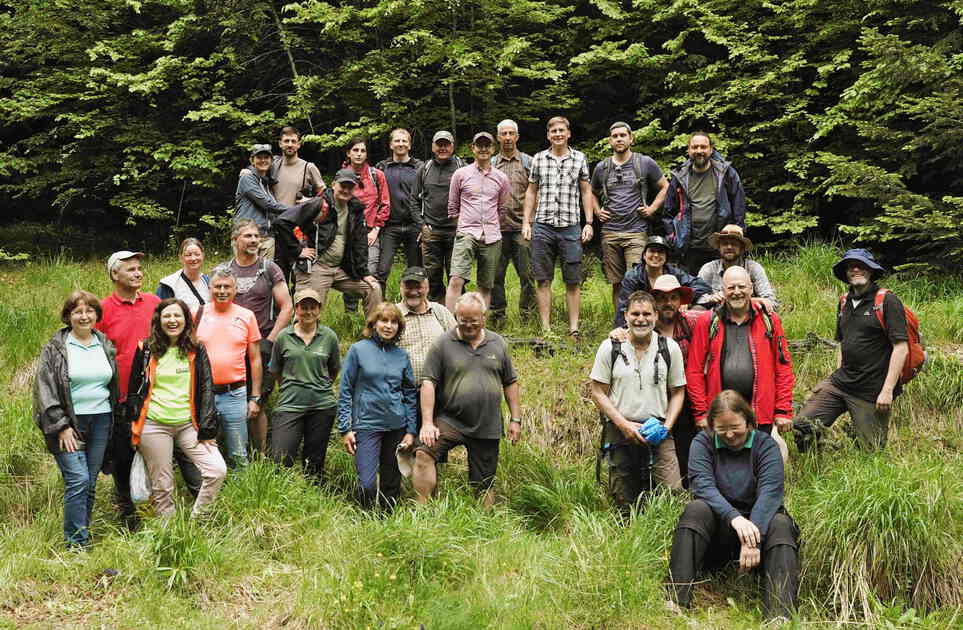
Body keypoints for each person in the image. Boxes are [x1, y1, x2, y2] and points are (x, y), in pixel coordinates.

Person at [668, 390, 800, 621]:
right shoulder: (702, 443)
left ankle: (780, 615)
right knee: (695, 510)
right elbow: (702, 486)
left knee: (781, 523)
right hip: (720, 528)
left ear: (749, 422)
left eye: (735, 427)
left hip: (759, 532)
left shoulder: (765, 445)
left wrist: (753, 536)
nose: (729, 434)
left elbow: (771, 493)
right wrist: (735, 518)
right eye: (721, 429)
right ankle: (677, 600)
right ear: (712, 426)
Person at [96, 251, 199, 529]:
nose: (138, 273)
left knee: (180, 456)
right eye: (130, 269)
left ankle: (197, 510)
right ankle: (129, 514)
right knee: (123, 457)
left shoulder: (155, 304)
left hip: (161, 397)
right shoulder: (103, 310)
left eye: (139, 268)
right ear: (114, 274)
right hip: (121, 399)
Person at [792, 249, 909, 451]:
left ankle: (854, 445)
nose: (855, 269)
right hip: (841, 383)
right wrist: (834, 376)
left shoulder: (887, 301)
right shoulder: (844, 301)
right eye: (850, 266)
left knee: (871, 452)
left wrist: (887, 391)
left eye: (861, 265)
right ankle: (820, 459)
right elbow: (842, 343)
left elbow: (901, 348)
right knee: (802, 426)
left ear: (871, 271)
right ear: (845, 272)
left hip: (871, 391)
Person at [413, 292, 521, 507]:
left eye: (474, 321)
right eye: (463, 321)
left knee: (485, 480)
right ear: (456, 317)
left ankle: (484, 524)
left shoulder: (498, 343)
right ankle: (422, 509)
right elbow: (428, 383)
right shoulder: (443, 343)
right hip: (451, 420)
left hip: (487, 422)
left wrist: (515, 419)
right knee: (424, 453)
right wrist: (427, 423)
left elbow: (510, 382)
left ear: (484, 317)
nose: (469, 326)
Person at [126, 299, 227, 518]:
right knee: (162, 487)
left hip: (188, 425)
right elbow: (135, 390)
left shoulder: (196, 349)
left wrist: (207, 429)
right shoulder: (145, 349)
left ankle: (198, 519)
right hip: (154, 425)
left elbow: (206, 388)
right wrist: (133, 428)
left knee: (217, 470)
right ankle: (169, 534)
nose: (172, 320)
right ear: (158, 320)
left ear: (186, 320)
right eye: (167, 316)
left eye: (177, 316)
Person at [34, 291, 118, 548]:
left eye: (89, 311)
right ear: (68, 316)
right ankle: (75, 544)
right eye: (78, 312)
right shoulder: (56, 348)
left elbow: (111, 385)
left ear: (96, 315)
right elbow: (44, 390)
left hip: (101, 419)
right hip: (70, 424)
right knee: (77, 479)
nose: (84, 316)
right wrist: (61, 427)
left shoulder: (104, 343)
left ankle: (83, 534)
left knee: (90, 482)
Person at [590, 291, 686, 515]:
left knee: (671, 493)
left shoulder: (669, 348)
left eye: (646, 314)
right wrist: (623, 424)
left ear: (655, 316)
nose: (640, 319)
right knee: (623, 499)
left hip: (660, 431)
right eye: (635, 313)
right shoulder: (610, 347)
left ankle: (668, 539)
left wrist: (667, 427)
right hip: (620, 431)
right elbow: (597, 391)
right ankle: (627, 543)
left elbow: (678, 392)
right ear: (626, 315)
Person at [686, 267, 794, 438]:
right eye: (731, 288)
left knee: (759, 461)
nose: (737, 292)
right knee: (723, 463)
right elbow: (694, 371)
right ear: (722, 290)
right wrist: (701, 412)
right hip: (720, 415)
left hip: (760, 413)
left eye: (742, 287)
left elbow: (783, 367)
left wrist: (783, 410)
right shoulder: (707, 321)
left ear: (751, 288)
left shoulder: (769, 320)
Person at [221, 219, 293, 453]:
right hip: (229, 347)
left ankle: (260, 454)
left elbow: (287, 307)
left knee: (258, 401)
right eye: (248, 236)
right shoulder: (223, 271)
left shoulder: (269, 268)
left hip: (262, 342)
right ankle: (233, 451)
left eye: (256, 236)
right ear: (235, 240)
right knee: (232, 400)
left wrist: (270, 340)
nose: (254, 240)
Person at [522, 116, 596, 337]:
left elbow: (585, 191)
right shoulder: (538, 159)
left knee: (573, 280)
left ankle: (574, 329)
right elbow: (531, 191)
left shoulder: (579, 158)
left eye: (561, 130)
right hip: (543, 226)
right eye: (553, 131)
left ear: (568, 133)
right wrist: (527, 222)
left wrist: (589, 223)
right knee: (543, 279)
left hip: (570, 226)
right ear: (548, 135)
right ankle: (546, 328)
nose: (557, 134)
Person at [338, 302, 417, 510]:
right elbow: (345, 389)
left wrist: (411, 431)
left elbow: (409, 393)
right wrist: (345, 428)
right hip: (367, 424)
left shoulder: (401, 356)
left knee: (392, 482)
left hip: (396, 425)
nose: (388, 326)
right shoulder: (358, 350)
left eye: (393, 322)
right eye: (384, 320)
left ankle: (387, 523)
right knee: (367, 483)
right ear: (374, 323)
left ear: (399, 327)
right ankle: (364, 518)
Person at [282, 169, 383, 315]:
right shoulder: (318, 204)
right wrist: (298, 251)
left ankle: (375, 333)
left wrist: (364, 273)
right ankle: (300, 337)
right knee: (308, 312)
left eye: (350, 187)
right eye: (343, 186)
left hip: (341, 269)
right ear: (334, 184)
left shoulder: (355, 209)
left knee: (374, 288)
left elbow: (360, 243)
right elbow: (282, 222)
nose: (346, 190)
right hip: (316, 267)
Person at [592, 122, 669, 311]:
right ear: (610, 141)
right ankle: (620, 321)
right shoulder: (602, 167)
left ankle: (643, 319)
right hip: (610, 232)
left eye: (623, 135)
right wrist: (596, 210)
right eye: (615, 136)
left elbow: (665, 187)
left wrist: (652, 209)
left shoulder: (644, 163)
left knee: (637, 279)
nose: (619, 139)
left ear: (631, 138)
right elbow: (590, 192)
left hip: (636, 232)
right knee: (616, 282)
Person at [269, 289, 340, 483]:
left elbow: (333, 369)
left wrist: (319, 385)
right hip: (290, 404)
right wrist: (291, 386)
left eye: (312, 307)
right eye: (303, 307)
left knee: (314, 461)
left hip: (322, 405)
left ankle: (313, 496)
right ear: (296, 310)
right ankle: (282, 496)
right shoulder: (284, 337)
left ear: (319, 310)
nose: (308, 312)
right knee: (280, 458)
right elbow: (275, 369)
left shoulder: (329, 337)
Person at [195, 267, 262, 468]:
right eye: (217, 286)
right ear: (210, 288)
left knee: (238, 451)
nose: (222, 290)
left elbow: (255, 359)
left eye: (227, 286)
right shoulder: (196, 314)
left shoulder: (247, 316)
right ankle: (206, 490)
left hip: (235, 393)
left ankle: (242, 493)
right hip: (203, 393)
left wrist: (255, 397)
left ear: (235, 290)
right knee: (202, 448)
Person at [663, 132, 747, 274]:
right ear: (689, 150)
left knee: (723, 287)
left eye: (703, 147)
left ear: (711, 149)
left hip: (721, 244)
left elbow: (738, 204)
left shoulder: (725, 173)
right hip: (688, 246)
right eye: (695, 147)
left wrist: (738, 229)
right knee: (692, 289)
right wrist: (673, 237)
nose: (699, 151)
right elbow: (668, 211)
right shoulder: (680, 176)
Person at [445, 131, 510, 312]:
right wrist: (464, 225)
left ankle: (478, 324)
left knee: (486, 284)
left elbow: (502, 208)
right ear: (472, 148)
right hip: (467, 233)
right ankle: (450, 325)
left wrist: (492, 226)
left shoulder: (501, 178)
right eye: (479, 145)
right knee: (456, 279)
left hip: (491, 236)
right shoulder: (460, 174)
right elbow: (452, 206)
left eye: (487, 145)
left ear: (493, 148)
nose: (483, 149)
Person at [410, 130, 465, 302]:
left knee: (456, 276)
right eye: (439, 144)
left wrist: (465, 225)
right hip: (431, 231)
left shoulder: (462, 167)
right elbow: (413, 200)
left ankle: (459, 314)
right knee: (432, 276)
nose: (443, 148)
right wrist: (421, 225)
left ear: (452, 146)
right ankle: (436, 311)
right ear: (433, 147)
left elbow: (472, 198)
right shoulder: (424, 169)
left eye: (446, 144)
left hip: (457, 231)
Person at [490, 119, 535, 323]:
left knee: (527, 275)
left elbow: (537, 192)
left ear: (517, 136)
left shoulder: (528, 162)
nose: (507, 138)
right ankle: (498, 315)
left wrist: (531, 221)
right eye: (503, 134)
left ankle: (528, 315)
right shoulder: (490, 164)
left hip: (521, 228)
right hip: (496, 229)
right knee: (495, 276)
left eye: (511, 134)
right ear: (498, 137)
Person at [614, 235, 712, 328]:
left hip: (669, 314)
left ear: (666, 257)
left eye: (660, 252)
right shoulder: (633, 276)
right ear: (644, 255)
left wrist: (683, 300)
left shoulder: (674, 272)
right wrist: (620, 329)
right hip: (644, 317)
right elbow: (623, 306)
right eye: (652, 251)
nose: (656, 255)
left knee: (700, 309)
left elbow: (701, 286)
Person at [342, 136, 390, 304]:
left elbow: (385, 204)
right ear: (348, 153)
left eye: (363, 150)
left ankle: (372, 314)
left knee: (370, 271)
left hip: (370, 232)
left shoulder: (377, 175)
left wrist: (376, 229)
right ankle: (351, 315)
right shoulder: (342, 176)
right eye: (355, 150)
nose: (359, 154)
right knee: (349, 273)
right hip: (348, 232)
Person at [375, 128, 425, 279]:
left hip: (414, 225)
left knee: (416, 272)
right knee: (382, 270)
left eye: (404, 141)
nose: (401, 144)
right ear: (391, 145)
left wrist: (424, 224)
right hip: (390, 226)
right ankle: (379, 303)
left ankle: (415, 301)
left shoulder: (420, 167)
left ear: (409, 145)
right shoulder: (381, 168)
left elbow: (427, 197)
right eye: (397, 140)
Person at [395, 266, 457, 388]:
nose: (413, 292)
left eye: (418, 287)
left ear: (427, 288)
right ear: (401, 288)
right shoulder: (392, 315)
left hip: (440, 390)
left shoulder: (440, 312)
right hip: (403, 393)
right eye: (408, 287)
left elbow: (459, 344)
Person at [698, 225, 778, 311]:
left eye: (734, 244)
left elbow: (771, 301)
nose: (729, 247)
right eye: (725, 244)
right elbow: (696, 297)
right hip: (716, 316)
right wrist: (711, 298)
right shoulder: (709, 269)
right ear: (719, 247)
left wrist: (747, 301)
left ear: (742, 248)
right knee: (696, 309)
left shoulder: (753, 268)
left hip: (748, 316)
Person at [235, 143, 289, 262]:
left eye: (266, 157)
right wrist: (294, 209)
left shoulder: (267, 183)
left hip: (266, 236)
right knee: (245, 274)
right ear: (252, 160)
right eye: (259, 157)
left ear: (271, 160)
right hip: (246, 235)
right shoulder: (247, 178)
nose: (263, 160)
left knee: (264, 275)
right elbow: (267, 204)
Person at [270, 126, 326, 205]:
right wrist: (248, 171)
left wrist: (310, 201)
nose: (290, 145)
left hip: (297, 216)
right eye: (286, 141)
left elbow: (324, 194)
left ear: (298, 144)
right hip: (274, 216)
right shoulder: (273, 165)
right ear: (280, 144)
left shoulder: (308, 167)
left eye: (293, 141)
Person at [156, 237, 211, 315]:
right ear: (181, 258)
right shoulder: (169, 285)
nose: (193, 258)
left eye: (197, 254)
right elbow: (160, 314)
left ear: (203, 256)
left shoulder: (209, 282)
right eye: (188, 255)